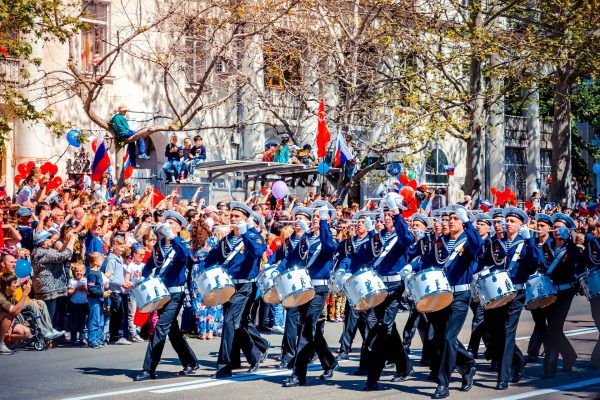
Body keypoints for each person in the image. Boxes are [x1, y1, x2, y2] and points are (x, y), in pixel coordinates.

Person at [417, 205, 482, 399]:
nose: (451, 221)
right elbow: (427, 262)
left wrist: (469, 223)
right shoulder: (441, 242)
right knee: (440, 337)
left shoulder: (468, 241)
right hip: (440, 295)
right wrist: (413, 269)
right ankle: (468, 364)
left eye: (455, 218)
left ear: (462, 221)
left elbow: (478, 247)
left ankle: (442, 383)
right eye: (449, 218)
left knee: (448, 338)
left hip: (460, 296)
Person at [203, 202, 268, 379]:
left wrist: (246, 231)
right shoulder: (226, 240)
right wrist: (201, 269)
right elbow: (211, 258)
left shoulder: (253, 236)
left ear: (246, 219)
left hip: (245, 286)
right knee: (235, 324)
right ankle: (255, 355)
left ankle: (224, 366)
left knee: (230, 323)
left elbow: (257, 252)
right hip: (227, 287)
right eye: (232, 216)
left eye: (237, 216)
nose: (233, 219)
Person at [135, 210, 199, 381]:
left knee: (161, 328)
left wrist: (173, 236)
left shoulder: (182, 244)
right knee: (172, 330)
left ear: (178, 227)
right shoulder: (158, 246)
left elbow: (186, 256)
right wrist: (144, 276)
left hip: (176, 294)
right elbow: (150, 264)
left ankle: (149, 369)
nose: (168, 225)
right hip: (160, 293)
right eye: (166, 222)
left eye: (172, 223)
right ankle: (190, 361)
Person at [280, 202, 338, 387]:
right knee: (308, 330)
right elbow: (292, 258)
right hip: (302, 287)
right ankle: (329, 361)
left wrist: (323, 223)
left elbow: (328, 247)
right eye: (314, 216)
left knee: (305, 329)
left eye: (319, 216)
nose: (315, 219)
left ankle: (298, 375)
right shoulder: (306, 237)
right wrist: (278, 268)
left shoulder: (329, 239)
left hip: (318, 290)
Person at [361, 194, 414, 391]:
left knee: (383, 329)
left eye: (390, 214)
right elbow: (368, 257)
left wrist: (398, 214)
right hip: (379, 287)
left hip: (394, 288)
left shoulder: (400, 234)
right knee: (388, 330)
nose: (387, 217)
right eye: (385, 214)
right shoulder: (380, 236)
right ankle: (405, 366)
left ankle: (372, 378)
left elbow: (407, 239)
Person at [485, 207, 541, 390]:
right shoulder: (496, 241)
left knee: (508, 332)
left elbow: (535, 262)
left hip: (516, 293)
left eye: (512, 221)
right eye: (506, 221)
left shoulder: (525, 243)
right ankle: (518, 360)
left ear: (520, 225)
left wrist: (530, 239)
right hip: (497, 293)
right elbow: (485, 260)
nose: (507, 224)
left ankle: (503, 377)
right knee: (498, 333)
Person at [540, 213, 580, 379]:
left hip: (565, 293)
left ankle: (550, 368)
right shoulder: (546, 246)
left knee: (555, 328)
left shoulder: (572, 250)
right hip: (549, 292)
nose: (556, 230)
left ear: (567, 230)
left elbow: (579, 267)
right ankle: (569, 355)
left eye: (560, 227)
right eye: (555, 227)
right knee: (552, 329)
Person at [31, 229, 76, 331]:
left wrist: (66, 242)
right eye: (48, 238)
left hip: (52, 288)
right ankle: (46, 336)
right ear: (42, 241)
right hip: (49, 289)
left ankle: (52, 335)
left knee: (55, 314)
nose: (51, 240)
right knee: (49, 315)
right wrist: (72, 240)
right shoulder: (42, 252)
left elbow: (59, 252)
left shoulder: (42, 250)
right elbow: (64, 255)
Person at [104, 236, 131, 345]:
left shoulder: (119, 258)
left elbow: (119, 275)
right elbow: (109, 276)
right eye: (120, 246)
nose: (122, 248)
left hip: (119, 290)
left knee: (120, 313)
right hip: (114, 291)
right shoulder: (111, 259)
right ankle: (117, 336)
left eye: (123, 246)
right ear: (114, 246)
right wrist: (121, 283)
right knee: (118, 314)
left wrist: (125, 282)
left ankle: (116, 336)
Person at [0, 274, 32, 354]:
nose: (17, 285)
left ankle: (4, 338)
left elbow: (16, 313)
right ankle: (1, 344)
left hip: (4, 322)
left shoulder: (12, 295)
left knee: (26, 333)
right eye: (15, 282)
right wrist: (25, 294)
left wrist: (10, 326)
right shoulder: (0, 296)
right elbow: (14, 311)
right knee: (7, 315)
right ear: (7, 286)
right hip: (3, 319)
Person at [87, 252, 110, 348]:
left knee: (100, 320)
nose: (102, 262)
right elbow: (91, 288)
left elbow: (101, 286)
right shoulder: (92, 274)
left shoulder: (99, 273)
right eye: (101, 260)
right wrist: (102, 293)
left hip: (100, 300)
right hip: (94, 300)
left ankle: (98, 339)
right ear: (96, 262)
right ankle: (92, 340)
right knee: (94, 319)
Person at [124, 243, 145, 343]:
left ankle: (137, 331)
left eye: (143, 255)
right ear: (134, 254)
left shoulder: (144, 266)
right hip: (132, 293)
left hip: (141, 293)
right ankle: (133, 334)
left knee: (141, 313)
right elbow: (126, 280)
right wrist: (133, 284)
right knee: (132, 314)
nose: (142, 257)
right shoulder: (131, 266)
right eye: (140, 254)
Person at [67, 263, 89, 345]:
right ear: (73, 272)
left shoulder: (86, 281)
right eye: (76, 271)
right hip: (74, 303)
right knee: (74, 321)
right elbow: (69, 292)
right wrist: (76, 289)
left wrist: (85, 289)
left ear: (84, 271)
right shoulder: (72, 281)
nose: (78, 272)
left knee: (83, 321)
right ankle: (73, 338)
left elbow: (89, 293)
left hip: (84, 303)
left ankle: (82, 338)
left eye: (80, 271)